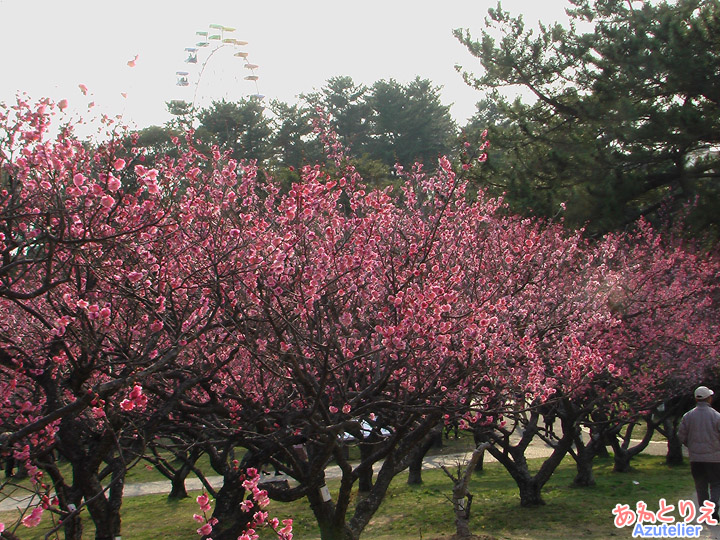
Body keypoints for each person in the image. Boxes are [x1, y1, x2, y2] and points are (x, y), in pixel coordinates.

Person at [678, 386, 720, 519]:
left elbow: (681, 436)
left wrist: (691, 446)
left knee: (700, 486)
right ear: (709, 398)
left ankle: (705, 512)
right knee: (716, 483)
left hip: (695, 458)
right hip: (714, 458)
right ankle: (713, 505)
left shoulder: (688, 416)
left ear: (696, 399)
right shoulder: (717, 416)